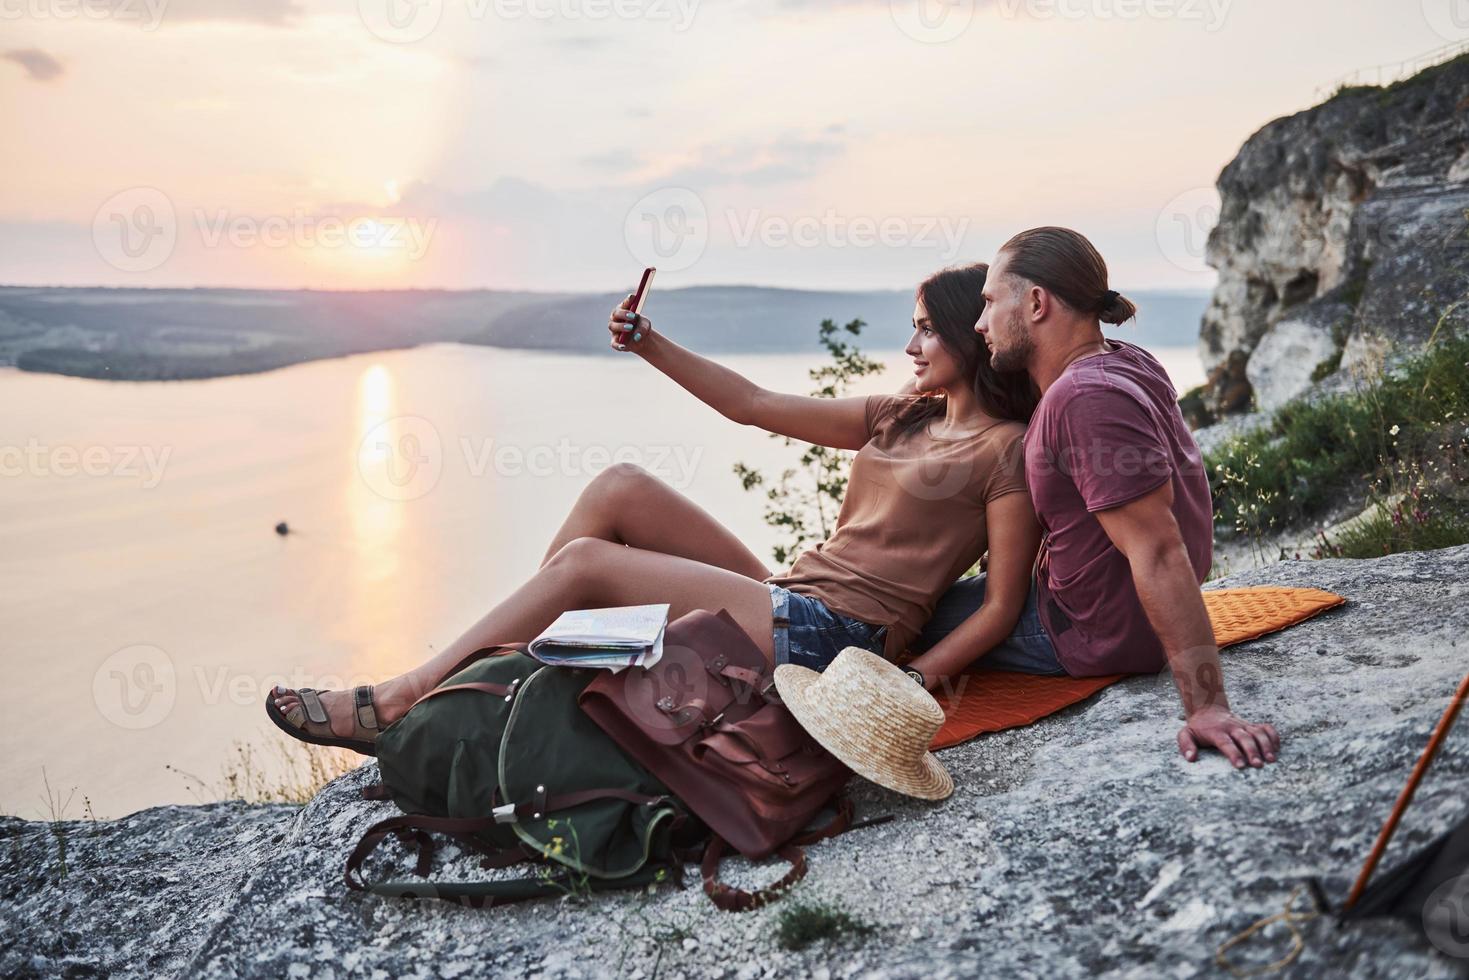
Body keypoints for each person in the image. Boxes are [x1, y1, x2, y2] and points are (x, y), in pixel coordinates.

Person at [267, 263, 1042, 754]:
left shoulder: (1002, 450)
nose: (910, 344)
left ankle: (409, 700)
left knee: (586, 567)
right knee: (620, 488)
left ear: (972, 338)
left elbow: (1001, 604)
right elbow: (751, 403)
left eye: (926, 327)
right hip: (788, 599)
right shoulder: (897, 415)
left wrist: (906, 680)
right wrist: (650, 343)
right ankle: (502, 682)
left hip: (836, 641)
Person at [905, 226, 1280, 770]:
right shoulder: (1123, 361)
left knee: (889, 615)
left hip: (1086, 633)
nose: (980, 323)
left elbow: (1157, 550)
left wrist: (1208, 707)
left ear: (1036, 303)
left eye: (988, 303)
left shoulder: (1085, 398)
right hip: (1107, 614)